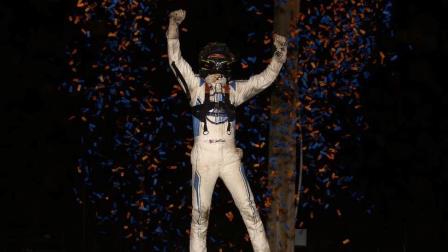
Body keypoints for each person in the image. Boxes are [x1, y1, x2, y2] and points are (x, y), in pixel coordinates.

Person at [166, 9, 287, 252]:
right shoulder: (196, 86)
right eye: (217, 57)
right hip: (205, 158)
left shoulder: (234, 89)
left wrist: (279, 55)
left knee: (250, 211)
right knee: (200, 218)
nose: (219, 62)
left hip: (230, 157)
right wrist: (173, 25)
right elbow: (175, 60)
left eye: (222, 57)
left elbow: (264, 79)